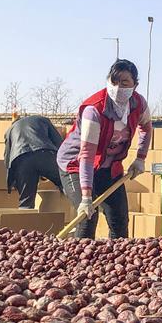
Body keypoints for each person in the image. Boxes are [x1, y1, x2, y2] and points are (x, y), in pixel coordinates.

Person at [57, 59, 152, 239]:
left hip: (109, 166)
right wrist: (86, 197)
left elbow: (146, 128)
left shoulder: (138, 104)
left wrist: (140, 158)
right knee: (87, 217)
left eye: (124, 83)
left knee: (119, 219)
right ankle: (80, 255)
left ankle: (118, 256)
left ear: (135, 85)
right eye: (113, 82)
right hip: (76, 165)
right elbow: (86, 156)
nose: (118, 87)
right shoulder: (94, 110)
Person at [4, 115, 64, 209]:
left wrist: (12, 181)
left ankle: (25, 217)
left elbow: (7, 157)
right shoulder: (41, 119)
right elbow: (59, 142)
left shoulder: (10, 130)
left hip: (21, 159)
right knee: (66, 182)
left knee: (26, 201)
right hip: (44, 153)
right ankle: (72, 210)